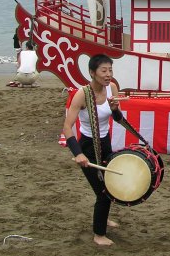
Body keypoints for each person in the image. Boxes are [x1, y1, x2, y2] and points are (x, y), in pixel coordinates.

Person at [63, 54, 123, 246]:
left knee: (111, 185)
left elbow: (118, 119)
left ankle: (103, 218)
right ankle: (99, 235)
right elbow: (66, 127)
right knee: (102, 192)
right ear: (92, 72)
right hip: (87, 146)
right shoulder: (82, 94)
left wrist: (115, 109)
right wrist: (78, 153)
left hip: (105, 142)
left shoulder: (112, 88)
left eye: (110, 70)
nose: (108, 75)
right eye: (103, 71)